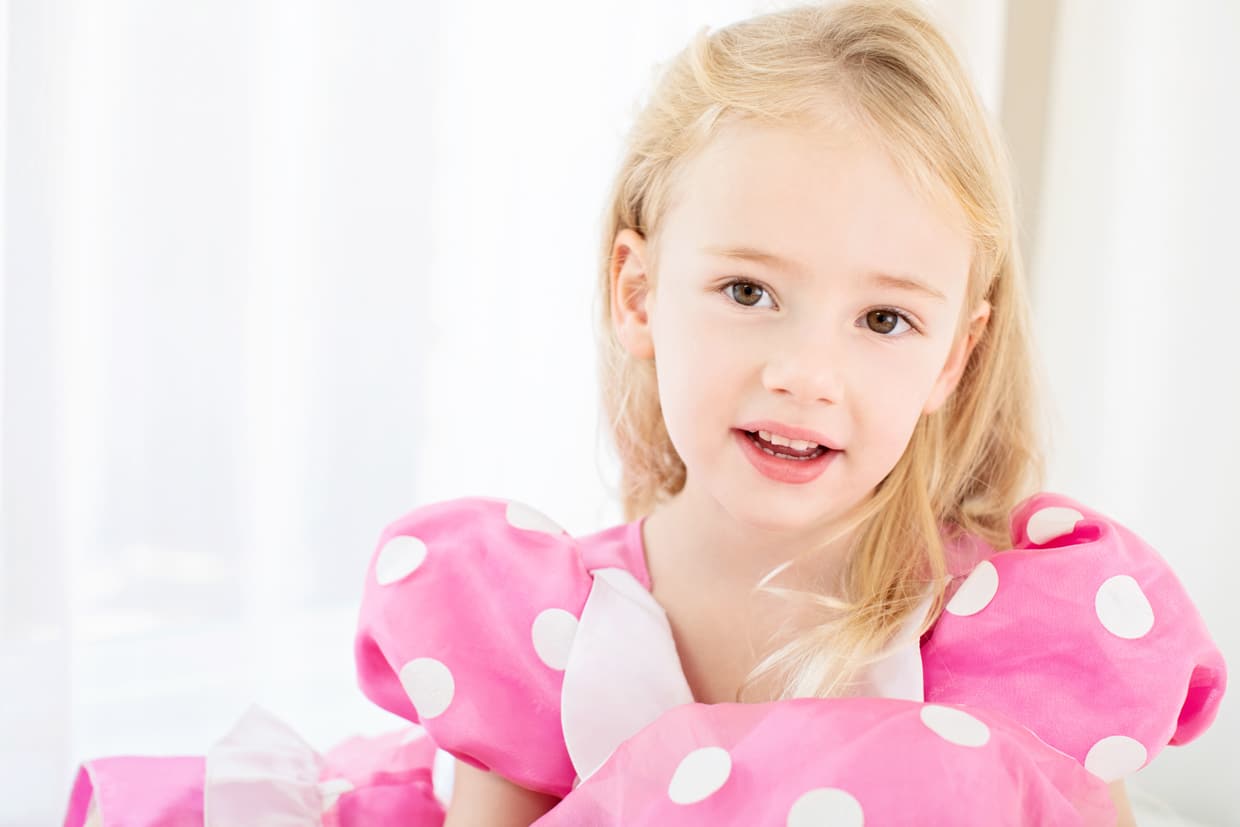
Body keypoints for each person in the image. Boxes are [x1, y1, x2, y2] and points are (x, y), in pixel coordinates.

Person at [63, 1, 1227, 825]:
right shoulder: (541, 624)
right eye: (749, 292)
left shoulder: (1004, 627)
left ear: (952, 360)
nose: (805, 371)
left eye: (883, 321)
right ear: (638, 293)